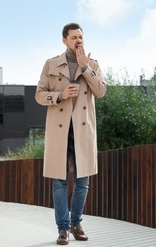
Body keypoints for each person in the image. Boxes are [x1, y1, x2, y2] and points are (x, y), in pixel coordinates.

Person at [35, 23, 106, 245]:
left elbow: (101, 91)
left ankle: (76, 224)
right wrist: (60, 95)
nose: (79, 40)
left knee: (82, 183)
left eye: (81, 37)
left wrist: (85, 68)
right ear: (64, 40)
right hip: (60, 131)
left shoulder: (92, 64)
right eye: (74, 37)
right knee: (59, 183)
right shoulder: (51, 64)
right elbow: (39, 95)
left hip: (83, 130)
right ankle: (63, 229)